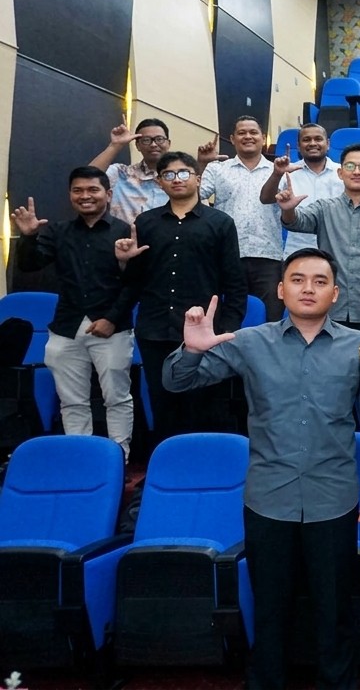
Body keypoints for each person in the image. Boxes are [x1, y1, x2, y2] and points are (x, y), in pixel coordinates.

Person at [162, 247, 360, 690]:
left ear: (335, 293)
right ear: (280, 289)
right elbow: (177, 381)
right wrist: (190, 350)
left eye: (320, 281)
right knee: (269, 612)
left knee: (334, 612)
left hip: (333, 500)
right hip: (268, 500)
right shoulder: (250, 342)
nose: (309, 288)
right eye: (298, 279)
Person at [115, 151, 246, 451]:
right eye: (169, 175)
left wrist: (226, 329)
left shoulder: (221, 223)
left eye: (184, 173)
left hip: (203, 333)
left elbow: (235, 283)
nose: (177, 179)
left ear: (198, 179)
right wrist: (124, 261)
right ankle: (167, 466)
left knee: (204, 404)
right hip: (155, 329)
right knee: (162, 404)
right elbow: (134, 281)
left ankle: (203, 467)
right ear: (160, 182)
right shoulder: (145, 222)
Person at [12, 168, 135, 458]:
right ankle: (80, 457)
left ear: (108, 194)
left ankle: (119, 457)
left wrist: (111, 319)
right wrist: (28, 237)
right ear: (70, 195)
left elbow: (136, 283)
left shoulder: (125, 231)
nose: (85, 196)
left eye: (93, 190)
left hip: (112, 327)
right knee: (71, 401)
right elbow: (29, 265)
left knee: (117, 398)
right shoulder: (58, 231)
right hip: (66, 327)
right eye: (78, 190)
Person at [278, 143, 360, 330]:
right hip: (328, 310)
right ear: (340, 173)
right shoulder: (324, 208)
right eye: (350, 166)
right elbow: (296, 222)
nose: (357, 172)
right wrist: (288, 210)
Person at [199, 116, 285, 320]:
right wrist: (201, 164)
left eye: (253, 132)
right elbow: (194, 196)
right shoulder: (217, 169)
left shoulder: (279, 170)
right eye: (242, 133)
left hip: (268, 256)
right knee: (224, 317)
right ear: (232, 139)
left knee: (270, 319)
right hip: (226, 255)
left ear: (263, 138)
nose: (248, 136)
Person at [257, 123, 342, 256]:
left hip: (336, 249)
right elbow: (265, 199)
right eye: (306, 139)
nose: (312, 143)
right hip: (297, 250)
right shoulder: (287, 171)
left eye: (318, 139)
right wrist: (277, 174)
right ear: (298, 145)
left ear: (328, 144)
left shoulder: (342, 172)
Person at [88, 116, 171, 224]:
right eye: (146, 140)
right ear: (138, 145)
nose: (153, 144)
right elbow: (88, 177)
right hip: (122, 234)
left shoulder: (179, 179)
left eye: (159, 139)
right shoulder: (121, 174)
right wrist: (115, 145)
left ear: (168, 143)